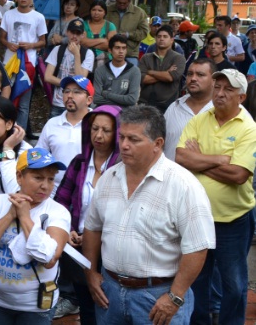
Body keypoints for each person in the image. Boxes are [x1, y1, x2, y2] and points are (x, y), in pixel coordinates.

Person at [83, 105, 215, 325]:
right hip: (109, 292)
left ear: (158, 144)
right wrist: (90, 273)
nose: (123, 145)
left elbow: (198, 247)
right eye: (122, 137)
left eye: (133, 140)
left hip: (158, 296)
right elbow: (93, 227)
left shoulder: (183, 185)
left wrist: (175, 296)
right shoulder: (109, 177)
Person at [175, 69, 256, 325]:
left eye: (228, 90)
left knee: (234, 284)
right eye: (217, 87)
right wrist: (220, 159)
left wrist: (199, 160)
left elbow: (238, 175)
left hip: (233, 219)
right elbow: (181, 157)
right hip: (197, 217)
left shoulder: (249, 128)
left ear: (241, 96)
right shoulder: (201, 119)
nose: (219, 94)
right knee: (196, 278)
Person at [0, 148, 71, 324]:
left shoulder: (57, 212)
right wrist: (9, 215)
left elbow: (50, 258)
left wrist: (24, 216)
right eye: (38, 178)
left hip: (35, 308)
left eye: (51, 179)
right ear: (19, 177)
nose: (45, 185)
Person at [54, 105, 122, 325]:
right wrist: (67, 228)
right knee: (86, 302)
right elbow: (61, 201)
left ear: (118, 133)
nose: (99, 135)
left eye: (106, 130)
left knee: (108, 303)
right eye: (94, 129)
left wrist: (94, 235)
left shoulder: (123, 166)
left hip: (111, 245)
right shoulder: (80, 162)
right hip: (77, 244)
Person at [0, 0, 48, 129]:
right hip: (10, 62)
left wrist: (31, 45)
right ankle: (5, 129)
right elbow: (2, 38)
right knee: (7, 97)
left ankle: (20, 133)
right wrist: (8, 44)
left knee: (24, 103)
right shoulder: (8, 15)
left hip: (28, 64)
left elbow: (43, 42)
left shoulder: (38, 17)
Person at [36, 75, 94, 192]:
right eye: (66, 91)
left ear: (89, 100)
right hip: (54, 191)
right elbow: (39, 154)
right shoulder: (52, 124)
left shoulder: (97, 124)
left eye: (77, 92)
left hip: (87, 190)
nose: (70, 96)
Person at [164, 58, 215, 159]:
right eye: (190, 74)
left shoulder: (225, 110)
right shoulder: (174, 108)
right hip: (170, 173)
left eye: (200, 75)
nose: (193, 79)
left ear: (214, 81)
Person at [43, 19, 94, 117]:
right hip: (58, 102)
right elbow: (48, 76)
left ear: (83, 35)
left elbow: (81, 80)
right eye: (72, 32)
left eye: (78, 33)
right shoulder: (58, 49)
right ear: (67, 32)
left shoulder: (88, 53)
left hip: (77, 103)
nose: (74, 36)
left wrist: (77, 55)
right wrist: (67, 84)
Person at [138, 25, 186, 111]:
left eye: (165, 36)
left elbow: (170, 77)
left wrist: (150, 72)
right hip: (145, 103)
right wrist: (166, 72)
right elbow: (143, 79)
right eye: (159, 36)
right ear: (155, 39)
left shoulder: (179, 58)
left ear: (172, 40)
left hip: (168, 104)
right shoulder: (146, 57)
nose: (161, 39)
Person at [91, 34, 141, 107]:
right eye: (117, 48)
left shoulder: (134, 71)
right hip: (104, 111)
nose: (121, 51)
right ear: (110, 50)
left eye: (124, 48)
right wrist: (122, 101)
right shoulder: (100, 70)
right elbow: (96, 98)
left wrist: (107, 94)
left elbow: (132, 99)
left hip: (126, 113)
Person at [106, 0, 148, 65]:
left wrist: (128, 35)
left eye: (124, 3)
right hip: (109, 52)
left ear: (129, 1)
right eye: (119, 3)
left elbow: (144, 32)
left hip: (130, 53)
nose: (122, 5)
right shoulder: (108, 10)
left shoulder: (139, 13)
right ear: (116, 0)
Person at [82, 0, 116, 68]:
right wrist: (103, 40)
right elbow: (82, 42)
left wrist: (89, 43)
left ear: (104, 13)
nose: (96, 13)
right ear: (90, 11)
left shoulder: (110, 26)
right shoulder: (83, 24)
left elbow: (111, 46)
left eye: (100, 10)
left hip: (105, 60)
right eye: (93, 10)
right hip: (85, 59)